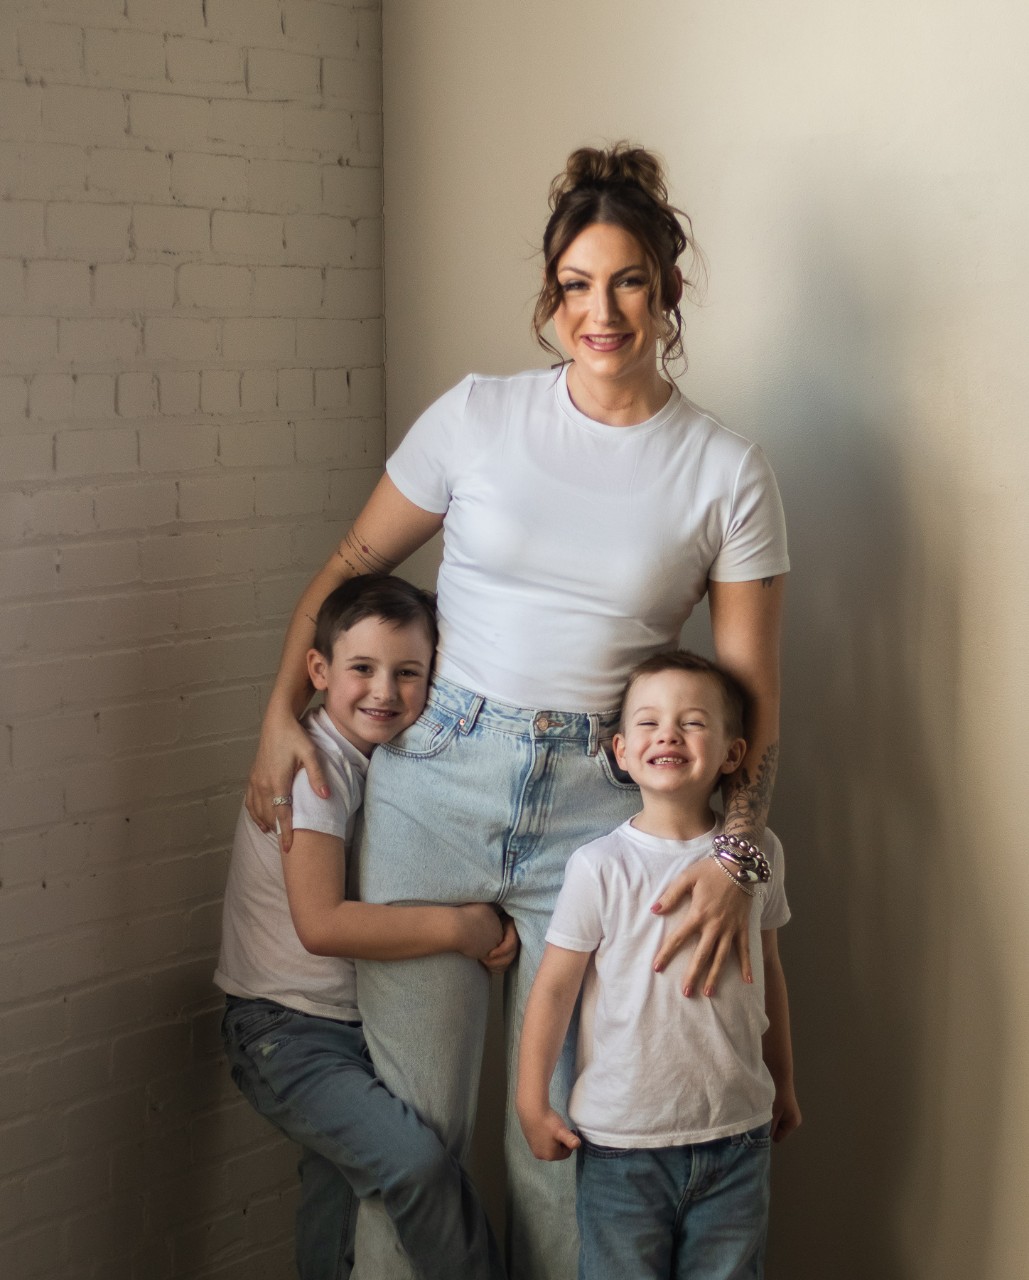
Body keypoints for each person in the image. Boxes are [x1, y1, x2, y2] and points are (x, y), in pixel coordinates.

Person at [246, 142, 790, 1280]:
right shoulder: (478, 415)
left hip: (598, 815)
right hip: (436, 782)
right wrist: (274, 711)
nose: (603, 310)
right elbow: (351, 561)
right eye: (578, 284)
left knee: (557, 1137)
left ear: (667, 291)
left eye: (629, 279)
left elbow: (747, 704)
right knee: (418, 1134)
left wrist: (737, 851)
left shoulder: (726, 470)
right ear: (551, 298)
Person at [216, 574, 515, 1280]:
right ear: (318, 671)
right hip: (285, 1032)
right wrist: (460, 930)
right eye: (362, 669)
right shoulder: (313, 770)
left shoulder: (388, 761)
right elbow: (320, 925)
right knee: (414, 1167)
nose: (383, 691)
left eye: (407, 673)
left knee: (338, 1207)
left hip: (350, 1027)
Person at [516, 651, 800, 1280]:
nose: (668, 733)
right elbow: (555, 988)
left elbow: (770, 970)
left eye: (693, 722)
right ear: (620, 750)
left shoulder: (761, 855)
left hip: (738, 1134)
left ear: (733, 753)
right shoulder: (600, 866)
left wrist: (782, 1078)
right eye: (648, 722)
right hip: (622, 1147)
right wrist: (531, 1101)